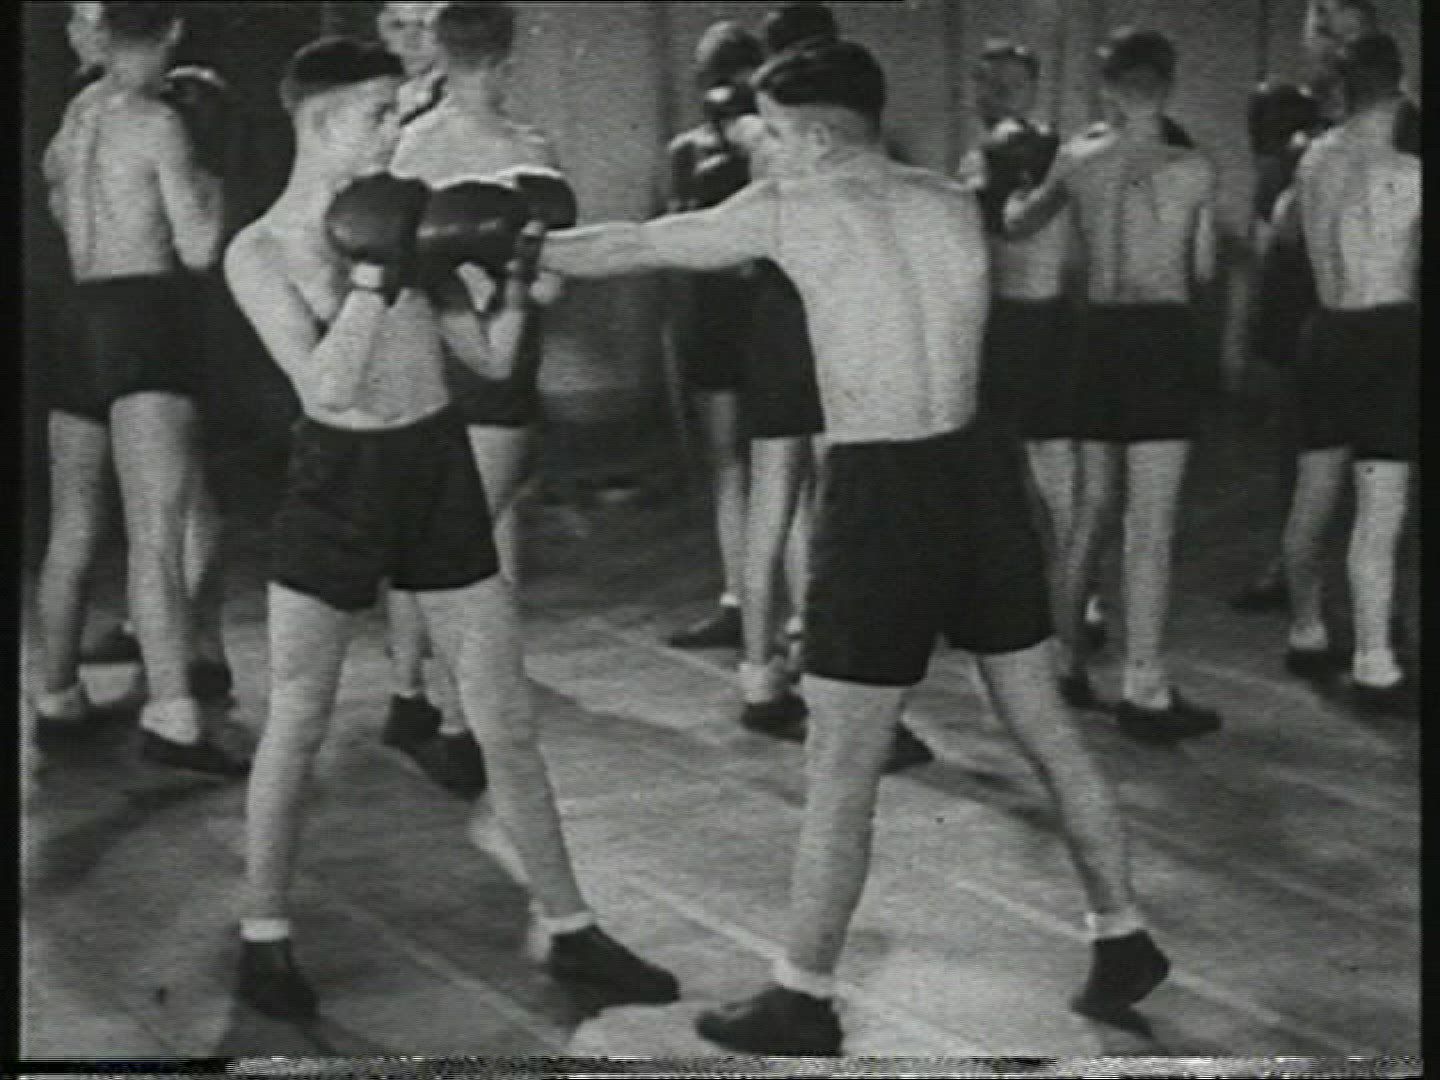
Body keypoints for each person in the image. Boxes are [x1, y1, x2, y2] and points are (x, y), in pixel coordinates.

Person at [539, 38, 1168, 1056]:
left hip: (881, 497)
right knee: (1044, 725)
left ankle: (802, 996)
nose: (767, 150)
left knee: (840, 761)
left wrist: (522, 242)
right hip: (981, 477)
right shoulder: (949, 200)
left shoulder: (793, 205)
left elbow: (638, 244)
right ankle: (1122, 929)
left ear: (819, 137)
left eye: (779, 134)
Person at [223, 36, 679, 1020]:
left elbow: (490, 356)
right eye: (379, 114)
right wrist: (374, 275)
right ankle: (263, 939)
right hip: (338, 482)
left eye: (398, 111)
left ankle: (571, 926)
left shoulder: (410, 218)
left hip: (435, 468)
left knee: (504, 714)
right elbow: (325, 388)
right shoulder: (259, 251)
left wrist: (514, 274)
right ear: (320, 124)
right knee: (298, 716)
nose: (396, 132)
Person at [35, 0, 245, 775]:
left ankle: (56, 695)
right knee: (156, 530)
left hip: (76, 315)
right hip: (144, 317)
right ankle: (173, 717)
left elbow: (60, 202)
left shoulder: (77, 115)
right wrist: (214, 171)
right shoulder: (158, 121)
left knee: (73, 526)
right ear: (173, 31)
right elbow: (199, 247)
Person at [1007, 29, 1223, 743]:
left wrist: (1016, 191)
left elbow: (1021, 225)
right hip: (1161, 336)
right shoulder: (1194, 166)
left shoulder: (1078, 158)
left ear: (1106, 87)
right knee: (1149, 523)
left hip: (1097, 338)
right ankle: (1143, 688)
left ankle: (1065, 662)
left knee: (1092, 509)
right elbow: (1204, 270)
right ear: (1168, 84)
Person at [734, 1, 933, 771]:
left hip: (773, 322)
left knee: (773, 503)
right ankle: (828, 685)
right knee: (837, 511)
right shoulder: (824, 139)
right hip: (822, 323)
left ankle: (761, 674)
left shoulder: (761, 137)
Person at [380, 0, 567, 798]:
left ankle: (411, 696)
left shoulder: (409, 145)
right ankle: (460, 727)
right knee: (473, 546)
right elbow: (551, 282)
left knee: (441, 531)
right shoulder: (529, 151)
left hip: (432, 354)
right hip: (492, 357)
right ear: (506, 61)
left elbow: (386, 265)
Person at [961, 38, 1116, 681]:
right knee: (998, 470)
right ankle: (1021, 597)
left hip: (1041, 321)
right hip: (997, 323)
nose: (998, 95)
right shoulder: (981, 157)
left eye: (1011, 84)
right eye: (989, 83)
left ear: (1031, 88)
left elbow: (1025, 226)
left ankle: (1080, 599)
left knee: (1053, 469)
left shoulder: (1048, 152)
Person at [1275, 33, 1418, 715]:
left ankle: (1305, 631)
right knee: (1379, 504)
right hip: (1385, 333)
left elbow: (1289, 237)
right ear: (1400, 88)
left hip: (1324, 331)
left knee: (1313, 492)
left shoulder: (1313, 159)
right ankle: (1373, 662)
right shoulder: (1409, 170)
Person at [1231, 0, 1382, 614]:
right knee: (1292, 443)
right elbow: (1264, 224)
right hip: (1294, 302)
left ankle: (1369, 594)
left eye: (1345, 33)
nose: (1330, 45)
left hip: (1364, 301)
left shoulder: (1392, 117)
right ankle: (1287, 565)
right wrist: (1244, 322)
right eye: (1321, 29)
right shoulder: (1282, 110)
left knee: (1369, 456)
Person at [661, 21, 766, 651]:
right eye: (714, 75)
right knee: (727, 459)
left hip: (771, 310)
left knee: (786, 458)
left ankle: (803, 609)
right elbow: (676, 231)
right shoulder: (687, 150)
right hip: (714, 311)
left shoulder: (775, 144)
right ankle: (737, 598)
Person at [376, 0, 447, 123]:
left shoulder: (463, 96)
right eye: (398, 26)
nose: (409, 42)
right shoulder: (384, 95)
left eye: (422, 25)